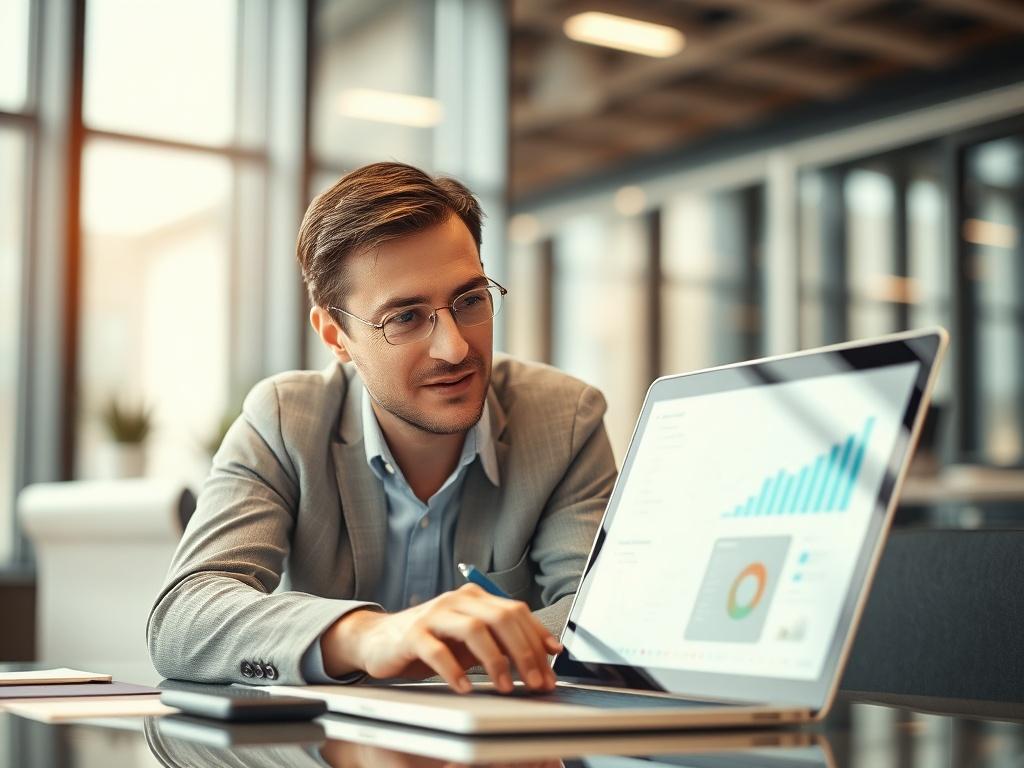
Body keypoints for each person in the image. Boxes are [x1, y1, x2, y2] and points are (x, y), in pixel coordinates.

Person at [147, 162, 617, 694]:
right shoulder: (285, 421)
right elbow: (183, 620)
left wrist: (444, 647)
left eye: (470, 301)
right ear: (336, 336)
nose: (456, 348)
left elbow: (607, 616)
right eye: (405, 318)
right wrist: (370, 636)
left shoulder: (565, 419)